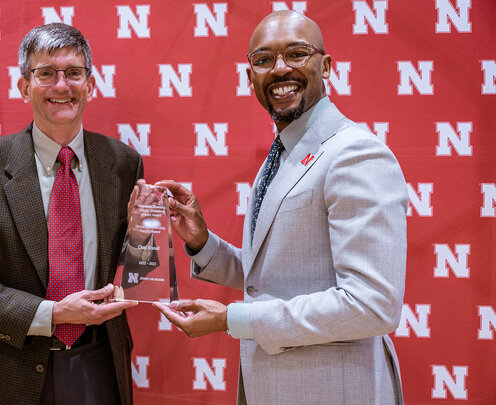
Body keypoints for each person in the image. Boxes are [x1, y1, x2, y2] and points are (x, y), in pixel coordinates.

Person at [154, 10, 408, 404]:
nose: (280, 69)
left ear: (325, 66)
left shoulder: (354, 153)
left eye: (296, 54)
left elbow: (371, 305)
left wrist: (232, 319)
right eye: (263, 60)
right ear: (250, 75)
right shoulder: (285, 153)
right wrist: (203, 242)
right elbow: (275, 279)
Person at [0, 23, 141, 405]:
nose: (62, 86)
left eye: (74, 73)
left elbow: (138, 263)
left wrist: (149, 253)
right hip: (6, 370)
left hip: (99, 363)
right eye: (46, 74)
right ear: (24, 86)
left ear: (90, 85)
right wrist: (51, 313)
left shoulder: (123, 163)